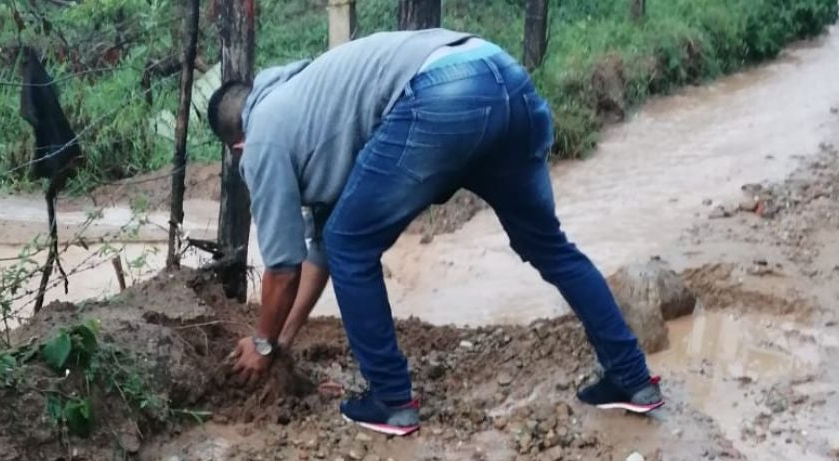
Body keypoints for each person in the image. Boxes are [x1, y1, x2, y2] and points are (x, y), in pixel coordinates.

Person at [208, 30, 663, 436]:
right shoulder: (308, 103)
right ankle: (631, 378)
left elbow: (284, 269)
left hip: (442, 94)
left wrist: (262, 342)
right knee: (548, 246)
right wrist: (284, 339)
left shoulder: (262, 138)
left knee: (353, 245)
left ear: (236, 147)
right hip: (504, 76)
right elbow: (322, 248)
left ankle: (390, 400)